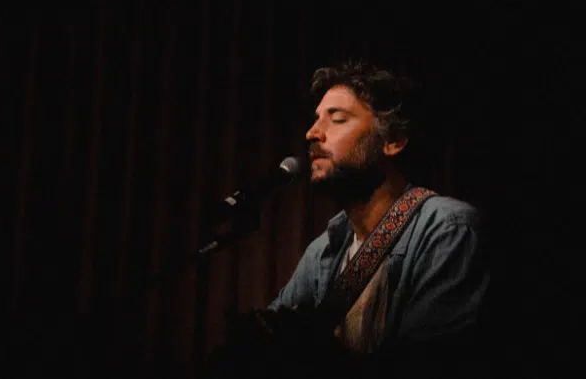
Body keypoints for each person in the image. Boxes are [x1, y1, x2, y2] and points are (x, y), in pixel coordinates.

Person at [205, 62, 492, 379]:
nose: (312, 133)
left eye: (337, 119)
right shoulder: (325, 249)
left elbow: (432, 365)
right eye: (316, 120)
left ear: (393, 141)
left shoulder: (448, 229)